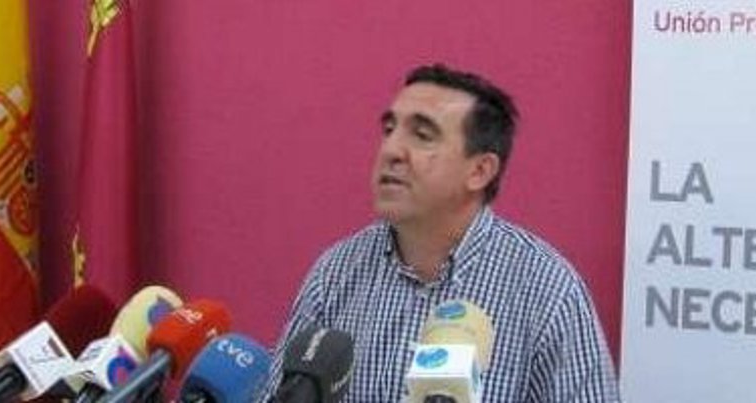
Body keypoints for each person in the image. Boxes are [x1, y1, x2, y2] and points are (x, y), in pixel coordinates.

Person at [263, 64, 619, 401]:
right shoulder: (336, 273)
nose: (391, 150)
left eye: (422, 135)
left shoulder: (545, 288)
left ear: (480, 171)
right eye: (389, 130)